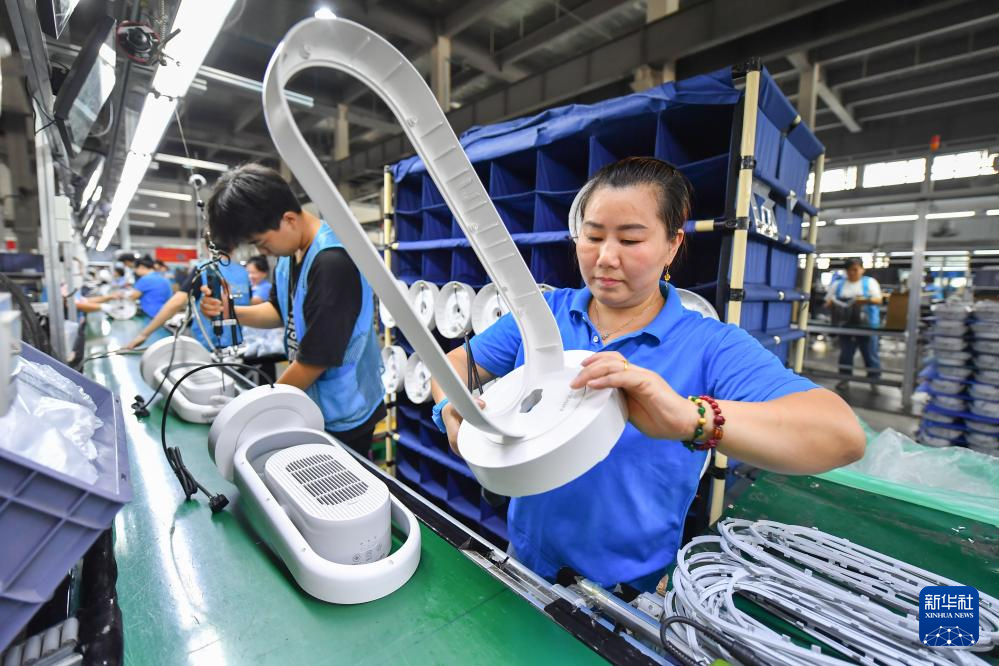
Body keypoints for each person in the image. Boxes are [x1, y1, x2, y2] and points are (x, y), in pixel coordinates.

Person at [431, 157, 864, 590]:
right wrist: (452, 405)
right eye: (592, 236)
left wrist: (691, 417)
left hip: (628, 592)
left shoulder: (709, 345)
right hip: (525, 563)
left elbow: (840, 435)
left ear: (672, 245)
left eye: (630, 239)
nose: (605, 257)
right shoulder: (542, 316)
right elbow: (453, 365)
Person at [199, 164, 385, 456]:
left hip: (345, 409)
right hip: (312, 400)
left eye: (261, 243)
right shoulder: (290, 253)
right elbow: (279, 311)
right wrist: (230, 311)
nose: (262, 253)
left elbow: (313, 362)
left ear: (288, 219)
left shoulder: (333, 263)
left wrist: (252, 413)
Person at [125, 241, 251, 350]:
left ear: (207, 246)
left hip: (208, 341)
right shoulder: (243, 272)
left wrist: (144, 334)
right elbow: (248, 302)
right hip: (237, 339)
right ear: (234, 247)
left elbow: (177, 302)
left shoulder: (204, 268)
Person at [826, 258, 883, 390]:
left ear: (862, 269)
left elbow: (878, 300)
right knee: (846, 354)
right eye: (849, 270)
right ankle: (844, 379)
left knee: (870, 354)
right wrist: (834, 303)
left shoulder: (870, 282)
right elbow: (827, 302)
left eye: (855, 270)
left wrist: (863, 300)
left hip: (867, 326)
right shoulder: (838, 284)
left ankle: (874, 380)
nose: (852, 273)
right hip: (846, 326)